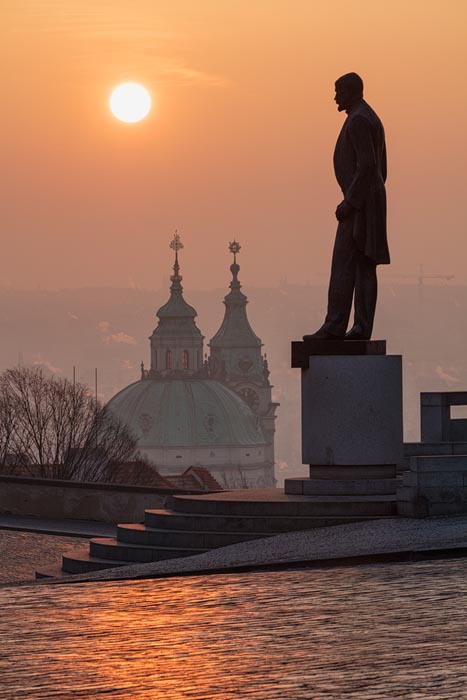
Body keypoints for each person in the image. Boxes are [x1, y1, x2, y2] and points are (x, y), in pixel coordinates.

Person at [307, 72, 390, 341]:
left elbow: (367, 166)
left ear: (351, 92)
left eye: (338, 91)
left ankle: (335, 326)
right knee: (364, 265)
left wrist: (351, 202)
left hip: (360, 204)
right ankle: (360, 327)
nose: (335, 97)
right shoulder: (370, 117)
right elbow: (381, 168)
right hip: (370, 200)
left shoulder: (358, 121)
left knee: (344, 263)